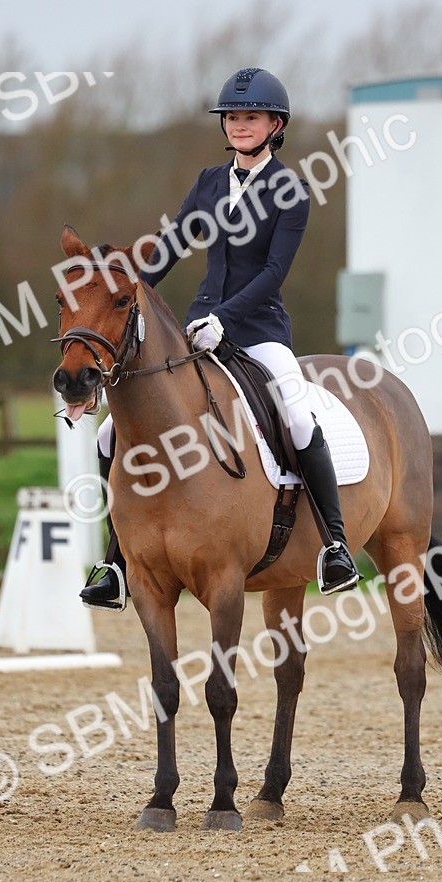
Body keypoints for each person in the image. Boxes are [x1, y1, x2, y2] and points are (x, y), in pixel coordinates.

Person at [81, 67, 360, 609]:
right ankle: (115, 560)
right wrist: (125, 288)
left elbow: (273, 273)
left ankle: (335, 545)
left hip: (258, 330)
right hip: (197, 329)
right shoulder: (209, 182)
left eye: (249, 117)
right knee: (107, 434)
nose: (238, 125)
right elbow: (170, 247)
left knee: (298, 415)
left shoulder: (291, 190)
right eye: (232, 117)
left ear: (275, 124)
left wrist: (227, 319)